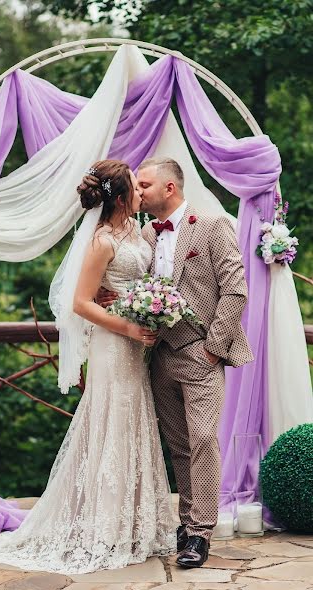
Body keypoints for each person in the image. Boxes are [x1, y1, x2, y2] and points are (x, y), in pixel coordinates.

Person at [0, 159, 176, 574]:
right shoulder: (102, 240)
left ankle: (136, 523)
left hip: (134, 345)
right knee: (110, 421)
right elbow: (80, 303)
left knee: (133, 421)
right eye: (136, 189)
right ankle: (105, 528)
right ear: (122, 198)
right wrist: (129, 325)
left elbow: (139, 281)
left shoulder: (137, 232)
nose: (144, 193)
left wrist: (149, 308)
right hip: (112, 344)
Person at [99, 157, 253, 568]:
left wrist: (213, 349)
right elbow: (131, 283)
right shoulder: (145, 235)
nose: (139, 191)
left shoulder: (213, 225)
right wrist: (115, 301)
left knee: (203, 440)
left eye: (145, 185)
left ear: (169, 188)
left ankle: (201, 533)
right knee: (180, 447)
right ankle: (187, 526)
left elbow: (236, 291)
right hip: (158, 355)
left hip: (201, 354)